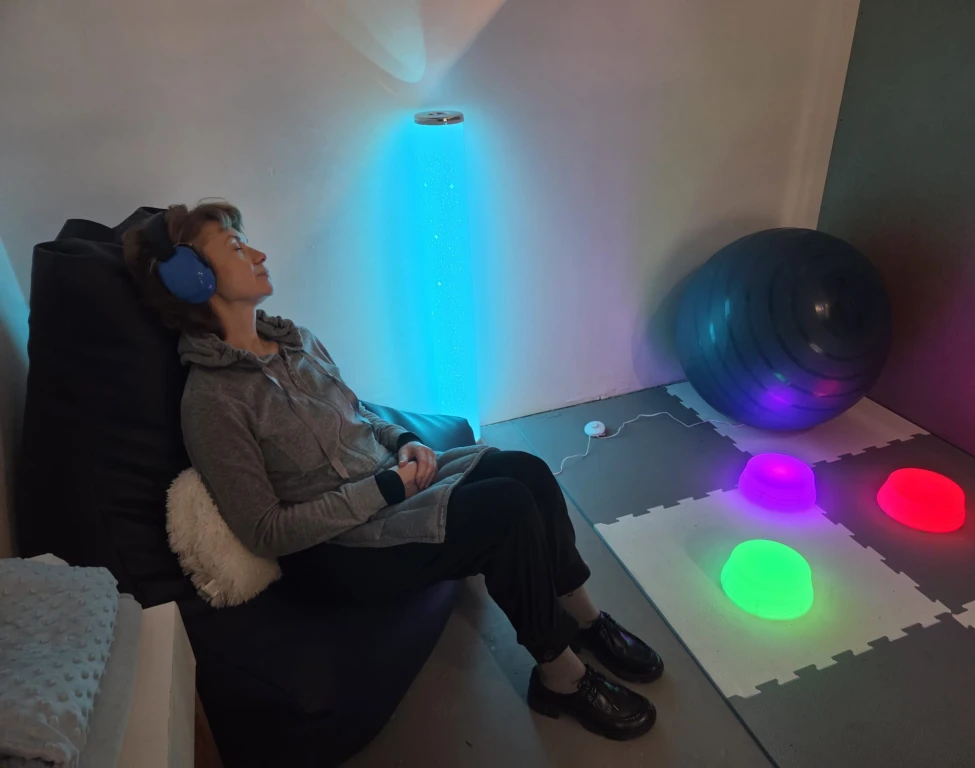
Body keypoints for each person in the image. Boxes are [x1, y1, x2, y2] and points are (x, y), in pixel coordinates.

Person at [125, 201, 664, 740]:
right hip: (343, 548)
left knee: (527, 470)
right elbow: (264, 530)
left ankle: (588, 621)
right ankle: (561, 679)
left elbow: (359, 414)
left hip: (391, 490)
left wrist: (403, 440)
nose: (259, 253)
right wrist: (386, 487)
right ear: (193, 279)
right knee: (507, 510)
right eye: (237, 247)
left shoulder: (297, 341)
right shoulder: (212, 401)